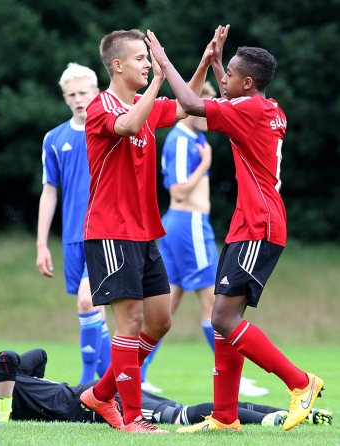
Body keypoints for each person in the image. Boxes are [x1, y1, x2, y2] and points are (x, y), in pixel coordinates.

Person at [145, 26, 325, 433]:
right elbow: (225, 101)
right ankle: (225, 416)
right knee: (225, 320)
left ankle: (301, 382)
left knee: (223, 318)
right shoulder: (266, 106)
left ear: (247, 83)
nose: (222, 80)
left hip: (258, 225)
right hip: (250, 224)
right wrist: (215, 62)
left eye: (229, 75)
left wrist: (164, 61)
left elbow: (191, 105)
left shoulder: (250, 111)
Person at [79, 28, 212, 434]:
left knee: (160, 321)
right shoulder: (101, 106)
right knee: (131, 321)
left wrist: (204, 64)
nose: (147, 65)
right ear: (117, 65)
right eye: (141, 59)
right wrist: (158, 80)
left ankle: (101, 393)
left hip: (143, 232)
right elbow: (127, 126)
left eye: (148, 59)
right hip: (110, 232)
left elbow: (186, 107)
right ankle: (133, 417)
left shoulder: (144, 103)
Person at [141, 81, 269, 398]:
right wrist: (206, 165)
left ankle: (137, 374)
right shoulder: (182, 140)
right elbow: (178, 191)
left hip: (179, 226)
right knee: (214, 303)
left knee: (167, 305)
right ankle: (232, 376)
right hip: (189, 226)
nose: (209, 111)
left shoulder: (193, 138)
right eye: (205, 105)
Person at [0, 348, 333, 428]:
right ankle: (294, 414)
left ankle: (279, 418)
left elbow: (5, 357)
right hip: (87, 396)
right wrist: (34, 384)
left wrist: (5, 406)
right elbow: (35, 357)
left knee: (182, 416)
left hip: (94, 401)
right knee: (189, 411)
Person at [36, 63, 111, 384]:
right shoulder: (54, 138)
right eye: (72, 95)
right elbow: (49, 191)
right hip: (72, 236)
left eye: (84, 93)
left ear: (97, 93)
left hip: (104, 232)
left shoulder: (111, 129)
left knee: (87, 300)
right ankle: (114, 385)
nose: (79, 99)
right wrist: (41, 244)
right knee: (95, 311)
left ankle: (85, 384)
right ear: (65, 98)